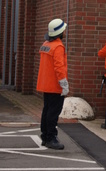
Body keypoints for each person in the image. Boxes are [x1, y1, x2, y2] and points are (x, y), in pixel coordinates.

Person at [36, 18, 69, 150]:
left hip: (45, 83)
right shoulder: (58, 46)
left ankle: (45, 136)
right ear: (60, 32)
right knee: (53, 112)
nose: (65, 31)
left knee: (47, 110)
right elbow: (59, 67)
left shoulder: (46, 44)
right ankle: (51, 137)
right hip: (55, 85)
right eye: (64, 30)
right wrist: (64, 84)